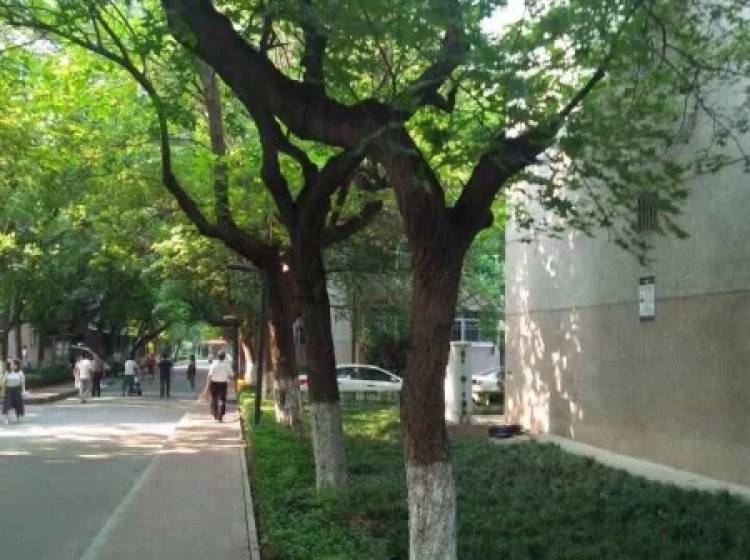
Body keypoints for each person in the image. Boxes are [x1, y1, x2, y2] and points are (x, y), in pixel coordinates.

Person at [207, 351, 233, 422]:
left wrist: (207, 385)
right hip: (223, 384)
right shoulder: (227, 365)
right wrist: (230, 381)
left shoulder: (213, 364)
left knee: (214, 398)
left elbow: (210, 375)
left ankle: (215, 414)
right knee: (222, 399)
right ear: (224, 357)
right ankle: (221, 414)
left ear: (217, 356)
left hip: (214, 383)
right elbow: (231, 375)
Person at [3, 359, 25, 424]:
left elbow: (22, 382)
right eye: (11, 364)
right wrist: (3, 389)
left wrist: (23, 391)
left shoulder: (20, 373)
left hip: (17, 390)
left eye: (14, 364)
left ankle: (18, 417)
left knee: (18, 404)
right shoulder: (7, 373)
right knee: (7, 404)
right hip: (8, 390)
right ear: (9, 365)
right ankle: (7, 418)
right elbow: (4, 382)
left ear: (17, 365)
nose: (12, 366)